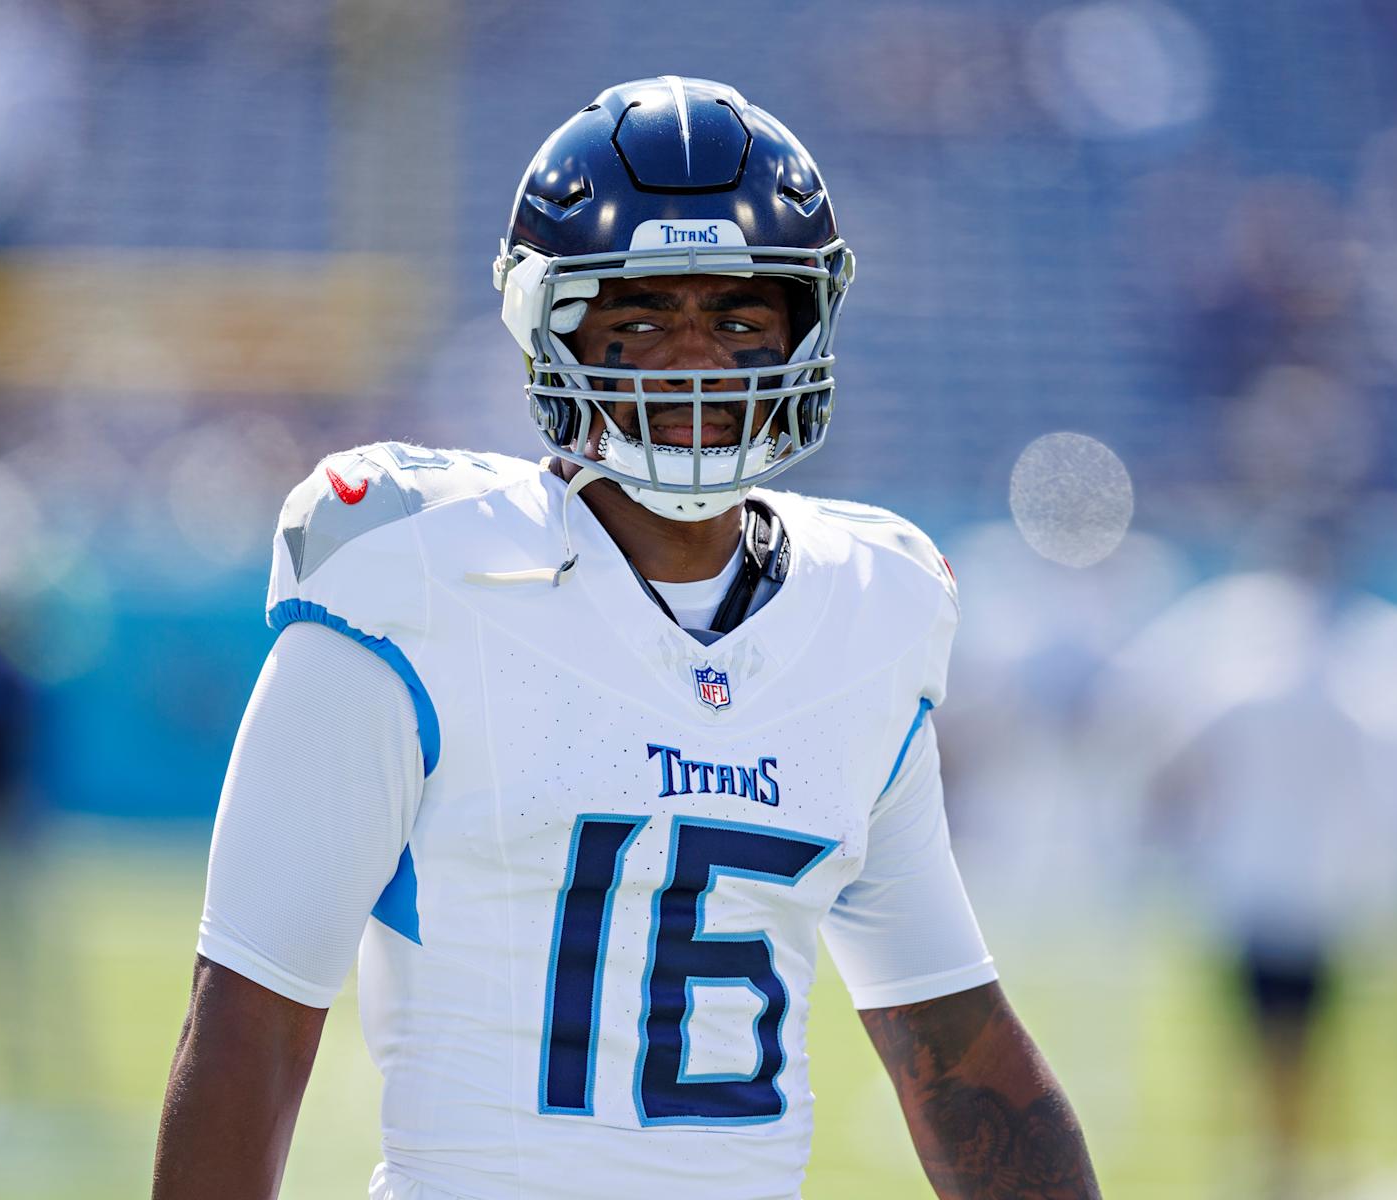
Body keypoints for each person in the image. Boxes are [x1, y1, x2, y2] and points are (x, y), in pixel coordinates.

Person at [153, 77, 1099, 1200]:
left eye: (738, 319)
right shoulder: (410, 575)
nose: (694, 359)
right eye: (641, 319)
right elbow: (250, 1027)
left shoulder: (870, 610)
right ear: (551, 330)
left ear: (805, 329)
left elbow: (956, 1044)